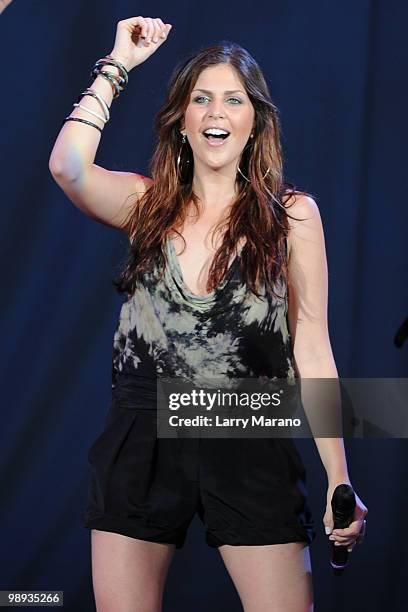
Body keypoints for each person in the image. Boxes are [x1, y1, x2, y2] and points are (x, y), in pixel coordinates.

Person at [49, 15, 368, 612]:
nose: (216, 110)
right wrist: (118, 66)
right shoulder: (147, 205)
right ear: (183, 123)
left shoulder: (293, 217)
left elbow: (313, 348)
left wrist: (339, 477)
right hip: (143, 428)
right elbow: (68, 167)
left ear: (254, 122)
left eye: (232, 98)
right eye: (201, 98)